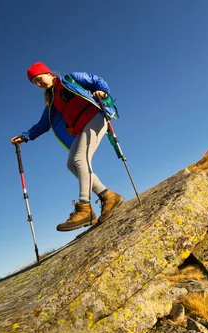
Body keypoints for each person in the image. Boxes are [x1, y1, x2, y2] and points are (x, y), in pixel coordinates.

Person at [11, 62, 124, 232]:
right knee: (71, 164)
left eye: (39, 79)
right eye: (35, 83)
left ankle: (85, 207)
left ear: (48, 73)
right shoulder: (51, 101)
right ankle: (108, 196)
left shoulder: (70, 79)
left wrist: (103, 92)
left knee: (80, 160)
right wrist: (25, 136)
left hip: (95, 117)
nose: (39, 84)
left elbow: (95, 79)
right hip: (81, 129)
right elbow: (44, 123)